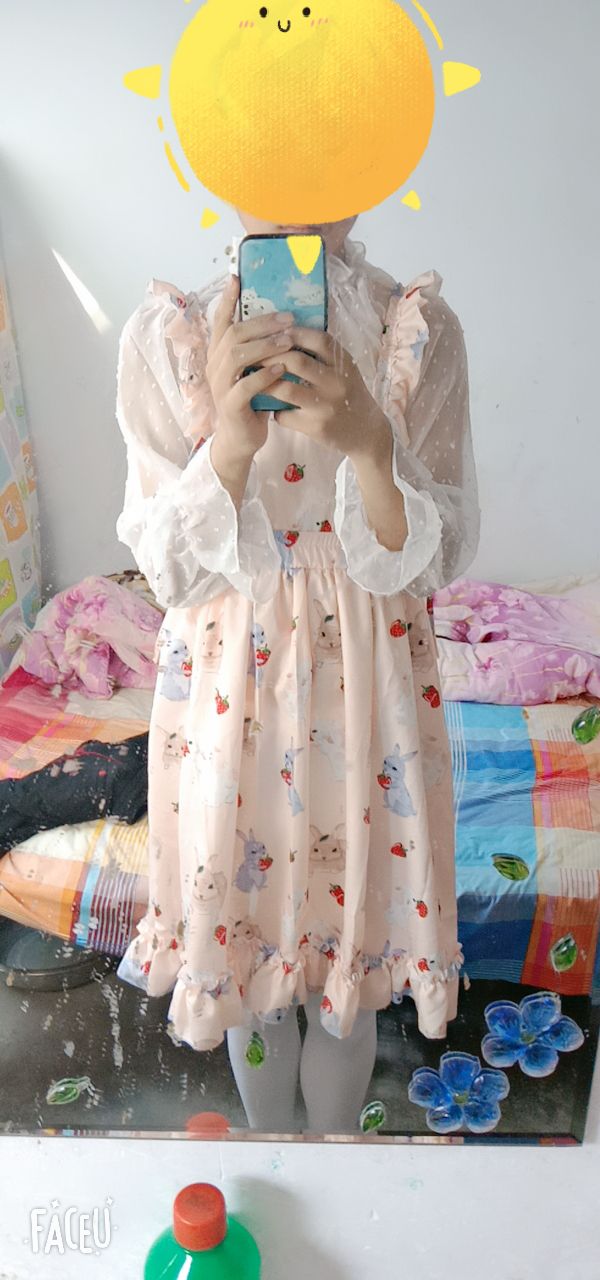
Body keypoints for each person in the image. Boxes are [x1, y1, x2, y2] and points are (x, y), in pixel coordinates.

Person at [114, 208, 480, 1133]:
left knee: (345, 968)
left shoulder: (414, 329)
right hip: (231, 683)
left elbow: (437, 557)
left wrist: (368, 441)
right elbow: (168, 572)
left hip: (368, 685)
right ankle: (274, 1147)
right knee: (255, 968)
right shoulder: (174, 335)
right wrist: (229, 447)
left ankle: (332, 1154)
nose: (300, 186)